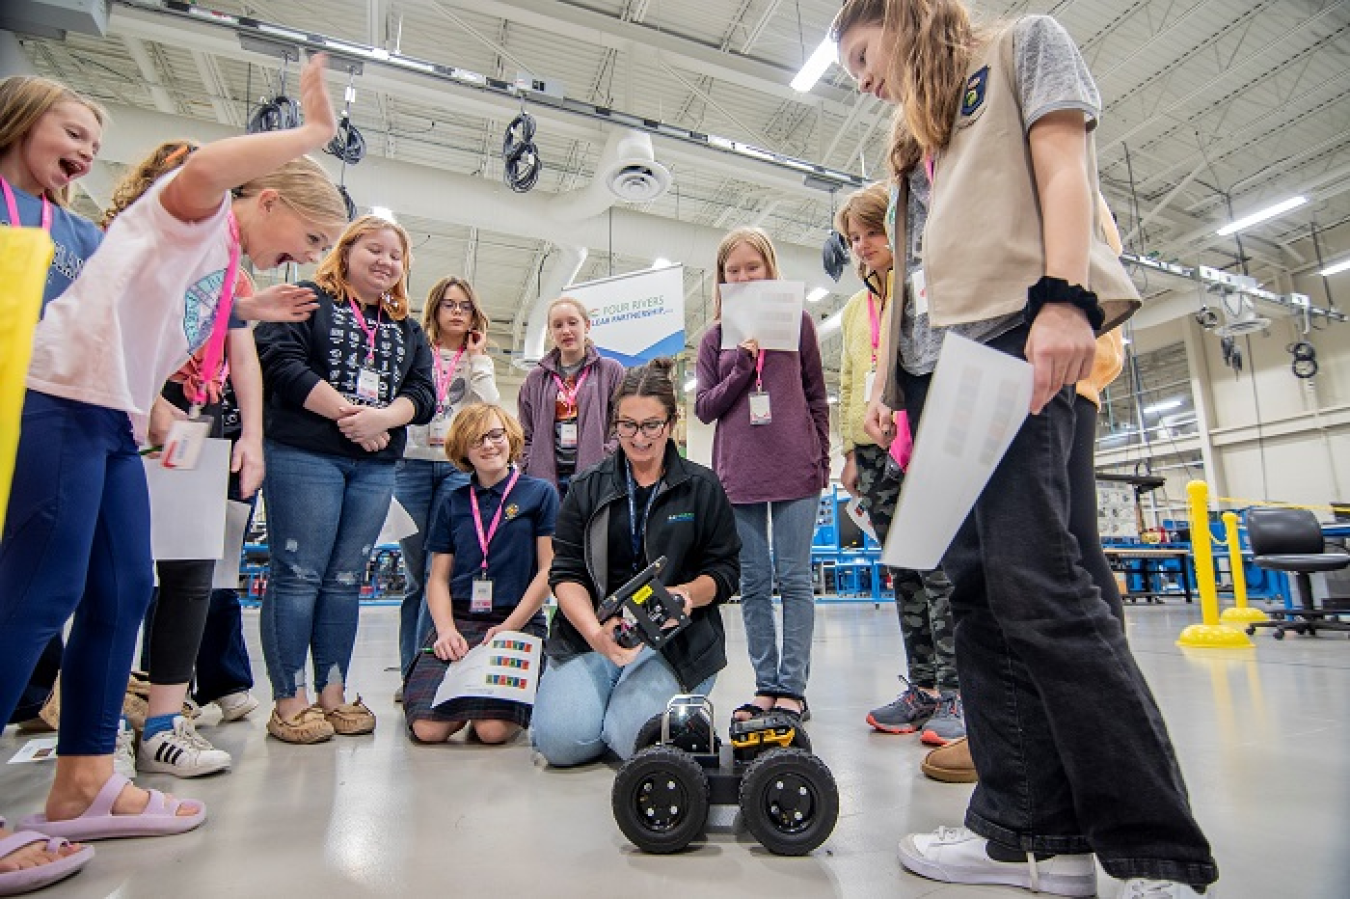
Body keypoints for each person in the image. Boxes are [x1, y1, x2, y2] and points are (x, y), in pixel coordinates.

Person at [834, 3, 1217, 897]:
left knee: (1042, 589)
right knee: (976, 597)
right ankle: (1028, 834)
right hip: (941, 381)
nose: (859, 78)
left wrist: (1064, 299)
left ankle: (1154, 848)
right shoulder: (916, 138)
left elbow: (1062, 168)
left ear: (899, 16)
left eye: (860, 53)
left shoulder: (1018, 47)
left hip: (1013, 343)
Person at [0, 51, 343, 856]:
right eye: (309, 236)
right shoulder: (197, 209)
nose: (303, 254)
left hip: (113, 416)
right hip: (61, 397)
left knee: (124, 591)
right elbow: (208, 166)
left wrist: (242, 316)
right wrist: (313, 132)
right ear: (266, 198)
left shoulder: (220, 258)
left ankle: (85, 778)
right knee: (39, 595)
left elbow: (161, 316)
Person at [254, 214, 436, 744]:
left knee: (344, 578)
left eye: (395, 255)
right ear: (347, 251)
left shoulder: (405, 328)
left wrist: (382, 419)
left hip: (376, 462)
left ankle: (331, 694)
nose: (385, 262)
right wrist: (350, 415)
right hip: (304, 454)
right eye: (374, 249)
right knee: (298, 573)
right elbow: (279, 361)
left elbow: (423, 394)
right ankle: (290, 701)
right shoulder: (308, 299)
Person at [0, 72, 105, 895]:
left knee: (58, 590)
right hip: (27, 413)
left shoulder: (77, 231)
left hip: (63, 417)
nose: (83, 154)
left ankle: (84, 776)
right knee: (34, 593)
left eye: (94, 147)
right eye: (72, 133)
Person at [532, 358, 741, 766]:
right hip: (593, 636)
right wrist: (595, 634)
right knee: (560, 743)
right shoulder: (587, 486)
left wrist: (685, 595)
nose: (639, 437)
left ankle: (635, 709)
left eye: (651, 425)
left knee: (632, 741)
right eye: (627, 424)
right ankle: (608, 701)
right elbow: (565, 572)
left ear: (671, 422)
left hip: (677, 642)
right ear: (615, 423)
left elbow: (726, 572)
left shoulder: (702, 487)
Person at [835, 184, 964, 744]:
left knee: (940, 572)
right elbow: (847, 383)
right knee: (904, 572)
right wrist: (847, 452)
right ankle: (925, 689)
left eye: (871, 232)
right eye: (854, 238)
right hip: (871, 451)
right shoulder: (852, 310)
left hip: (923, 442)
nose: (863, 246)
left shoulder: (921, 289)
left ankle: (960, 695)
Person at [693, 228, 829, 723]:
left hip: (797, 466)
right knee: (753, 582)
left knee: (794, 579)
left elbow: (816, 396)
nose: (745, 277)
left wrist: (823, 458)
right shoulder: (714, 338)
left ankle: (792, 688)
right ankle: (765, 685)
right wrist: (740, 367)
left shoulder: (799, 324)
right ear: (722, 279)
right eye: (734, 270)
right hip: (740, 474)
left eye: (754, 267)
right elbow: (705, 408)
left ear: (771, 270)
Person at [402, 404, 556, 744]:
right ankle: (468, 698)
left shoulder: (539, 494)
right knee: (428, 730)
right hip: (459, 623)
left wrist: (509, 627)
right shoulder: (453, 503)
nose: (488, 445)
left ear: (510, 438)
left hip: (516, 621)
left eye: (495, 435)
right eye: (476, 440)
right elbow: (438, 578)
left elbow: (548, 570)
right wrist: (444, 630)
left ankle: (482, 701)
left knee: (491, 731)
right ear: (464, 451)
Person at [394, 276, 499, 683]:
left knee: (443, 570)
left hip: (457, 469)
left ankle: (432, 666)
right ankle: (412, 669)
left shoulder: (475, 362)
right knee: (414, 576)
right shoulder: (417, 349)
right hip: (412, 465)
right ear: (436, 309)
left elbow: (491, 408)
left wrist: (480, 360)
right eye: (450, 305)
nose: (457, 312)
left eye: (465, 306)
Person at [516, 296, 624, 498]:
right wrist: (529, 464)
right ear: (551, 332)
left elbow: (624, 423)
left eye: (572, 322)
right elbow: (523, 430)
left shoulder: (611, 371)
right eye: (557, 325)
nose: (566, 330)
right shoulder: (535, 378)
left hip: (596, 477)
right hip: (545, 482)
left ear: (587, 325)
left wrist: (606, 457)